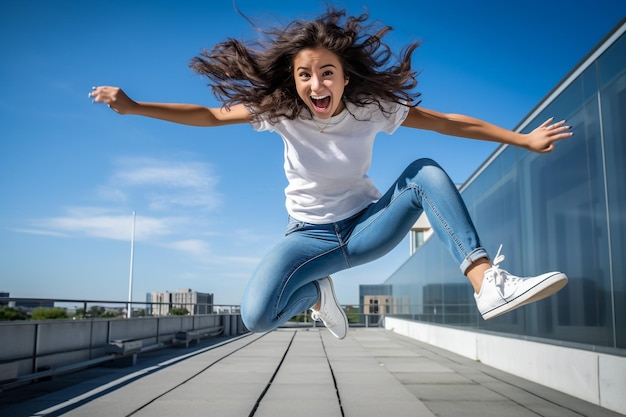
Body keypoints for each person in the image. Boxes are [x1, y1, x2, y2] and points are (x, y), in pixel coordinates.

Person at [89, 8, 572, 339]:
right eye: (304, 74)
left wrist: (522, 138)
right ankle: (318, 293)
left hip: (366, 227)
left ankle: (487, 282)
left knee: (424, 171)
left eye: (326, 72)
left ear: (344, 76)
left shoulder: (373, 107)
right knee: (257, 317)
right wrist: (134, 107)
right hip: (306, 238)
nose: (315, 84)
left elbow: (448, 122)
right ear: (294, 79)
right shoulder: (279, 111)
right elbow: (210, 116)